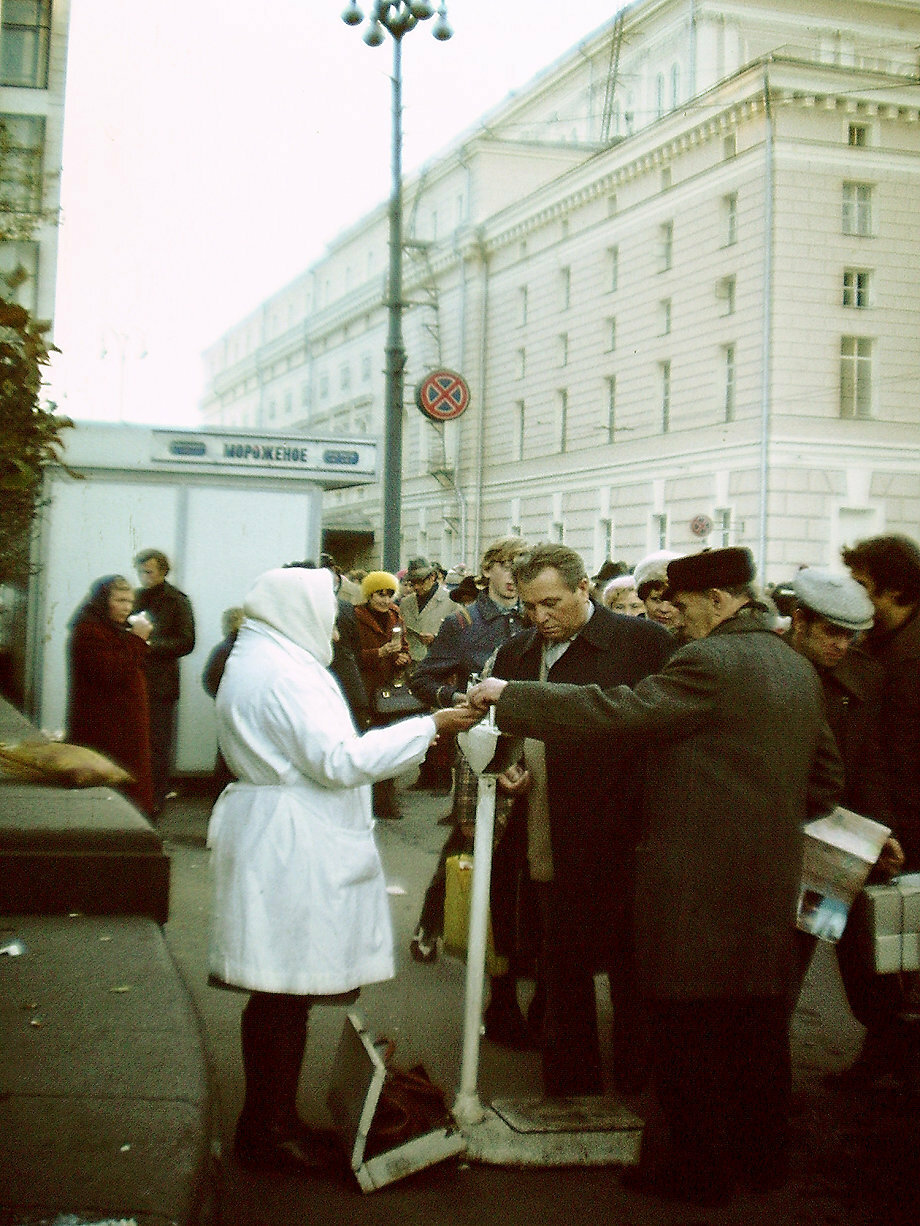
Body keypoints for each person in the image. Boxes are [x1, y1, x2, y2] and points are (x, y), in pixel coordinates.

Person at [469, 546, 843, 1204]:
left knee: (688, 1031)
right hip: (765, 883)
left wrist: (514, 697)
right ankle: (760, 1163)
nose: (677, 617)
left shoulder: (710, 660)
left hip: (696, 885)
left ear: (722, 600)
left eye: (689, 605)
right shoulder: (795, 667)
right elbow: (822, 782)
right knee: (756, 1029)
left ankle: (692, 1173)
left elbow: (623, 714)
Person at [208, 566, 476, 1174]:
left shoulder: (263, 659)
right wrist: (430, 725)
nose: (334, 621)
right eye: (328, 608)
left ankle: (269, 1121)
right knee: (283, 988)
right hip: (291, 835)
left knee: (281, 988)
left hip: (277, 826)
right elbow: (339, 759)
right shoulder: (284, 674)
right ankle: (268, 1131)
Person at [491, 544, 673, 1095]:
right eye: (528, 606)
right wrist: (507, 767)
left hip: (627, 834)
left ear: (584, 588)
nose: (539, 617)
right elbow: (500, 735)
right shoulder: (517, 652)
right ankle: (571, 1084)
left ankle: (640, 1086)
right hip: (548, 831)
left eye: (550, 603)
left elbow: (663, 729)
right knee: (561, 964)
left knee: (631, 969)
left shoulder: (643, 643)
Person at [406, 536, 529, 980]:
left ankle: (508, 941)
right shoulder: (463, 621)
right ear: (488, 569)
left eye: (523, 566)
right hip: (481, 741)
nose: (515, 575)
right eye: (507, 565)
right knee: (471, 836)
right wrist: (455, 696)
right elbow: (422, 679)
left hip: (530, 737)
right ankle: (432, 923)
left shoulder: (537, 618)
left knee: (522, 839)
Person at [67, 574, 155, 816]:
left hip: (123, 727)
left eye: (130, 601)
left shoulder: (111, 629)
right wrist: (137, 640)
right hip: (107, 729)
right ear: (104, 601)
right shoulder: (89, 631)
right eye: (120, 600)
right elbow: (110, 673)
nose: (127, 607)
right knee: (115, 792)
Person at [133, 549, 195, 815]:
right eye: (141, 572)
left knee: (158, 742)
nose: (144, 577)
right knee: (137, 738)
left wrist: (150, 645)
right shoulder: (136, 598)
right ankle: (138, 792)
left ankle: (156, 796)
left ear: (162, 572)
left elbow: (187, 642)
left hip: (161, 684)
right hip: (136, 678)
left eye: (149, 572)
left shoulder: (177, 601)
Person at [354, 570, 412, 820]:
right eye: (380, 594)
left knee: (388, 746)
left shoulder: (395, 614)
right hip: (365, 689)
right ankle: (364, 801)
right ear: (369, 594)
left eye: (389, 594)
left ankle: (386, 801)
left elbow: (406, 648)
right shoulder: (356, 616)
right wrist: (380, 652)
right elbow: (351, 655)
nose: (385, 600)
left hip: (389, 691)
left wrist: (402, 657)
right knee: (366, 745)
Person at [400, 557, 455, 790]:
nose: (416, 587)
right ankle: (424, 774)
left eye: (420, 581)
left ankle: (442, 777)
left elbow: (459, 635)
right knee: (418, 721)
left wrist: (439, 640)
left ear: (433, 577)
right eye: (412, 583)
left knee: (441, 724)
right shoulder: (407, 602)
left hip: (439, 668)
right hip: (413, 666)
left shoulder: (450, 601)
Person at [202, 606, 246, 795]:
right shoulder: (249, 650)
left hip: (227, 709)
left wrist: (220, 697)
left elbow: (209, 679)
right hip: (247, 709)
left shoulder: (221, 650)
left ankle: (220, 792)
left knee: (225, 754)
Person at [632, 549, 681, 631]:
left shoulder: (700, 640)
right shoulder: (627, 635)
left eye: (674, 602)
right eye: (656, 599)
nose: (664, 609)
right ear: (643, 599)